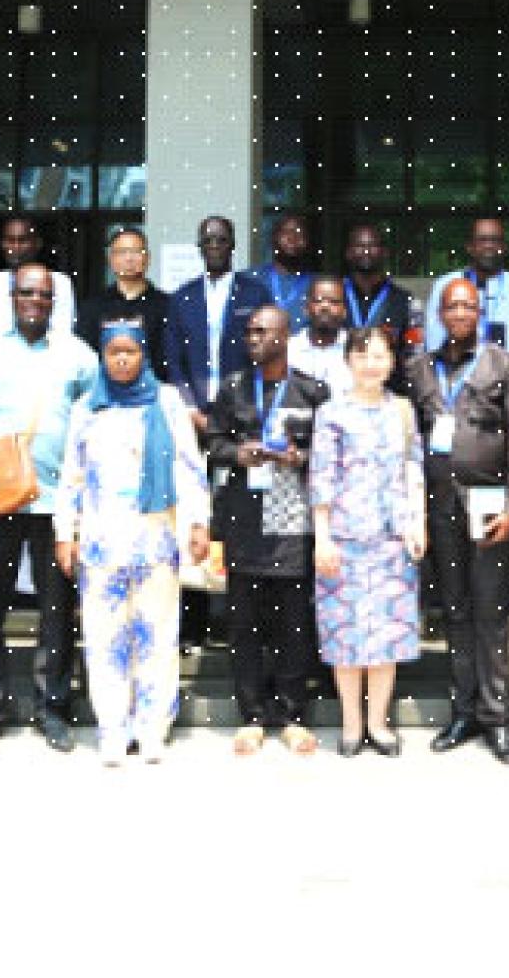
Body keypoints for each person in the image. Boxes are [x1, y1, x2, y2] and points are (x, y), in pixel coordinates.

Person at [0, 263, 97, 755]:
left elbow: (97, 421)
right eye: (26, 292)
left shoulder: (77, 355)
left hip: (57, 503)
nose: (35, 299)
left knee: (57, 609)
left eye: (44, 294)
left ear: (55, 301)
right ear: (12, 296)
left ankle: (52, 705)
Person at [54, 324, 210, 765]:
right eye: (113, 353)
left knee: (157, 635)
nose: (122, 360)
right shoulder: (88, 407)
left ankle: (152, 728)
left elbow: (189, 465)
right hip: (102, 542)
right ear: (102, 357)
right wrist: (65, 532)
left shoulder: (167, 402)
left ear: (143, 355)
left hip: (156, 540)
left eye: (130, 352)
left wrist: (198, 523)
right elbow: (72, 475)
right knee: (105, 637)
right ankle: (112, 729)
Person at [407, 278, 509, 763]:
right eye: (452, 305)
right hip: (439, 504)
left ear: (480, 313)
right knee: (455, 610)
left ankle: (496, 716)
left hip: (488, 505)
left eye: (468, 306)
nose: (460, 313)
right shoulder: (420, 367)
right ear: (441, 312)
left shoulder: (504, 366)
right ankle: (463, 711)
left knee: (490, 612)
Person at [207, 306, 328, 755]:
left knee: (294, 624)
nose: (253, 338)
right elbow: (214, 443)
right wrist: (238, 453)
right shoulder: (233, 387)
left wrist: (301, 458)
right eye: (249, 331)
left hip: (293, 518)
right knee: (245, 625)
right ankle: (252, 715)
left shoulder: (312, 391)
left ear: (285, 336)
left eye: (262, 331)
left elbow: (330, 449)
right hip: (245, 516)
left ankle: (293, 715)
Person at [308, 327, 427, 756]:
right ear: (349, 361)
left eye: (380, 355)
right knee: (346, 635)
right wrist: (323, 538)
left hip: (392, 538)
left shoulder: (404, 411)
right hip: (344, 537)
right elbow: (321, 478)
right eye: (363, 355)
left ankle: (379, 723)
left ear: (391, 362)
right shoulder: (331, 413)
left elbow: (414, 470)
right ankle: (351, 725)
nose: (372, 363)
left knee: (386, 636)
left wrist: (418, 523)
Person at [165, 215, 271, 430]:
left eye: (221, 240)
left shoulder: (256, 292)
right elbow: (173, 360)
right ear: (199, 247)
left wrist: (253, 405)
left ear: (232, 245)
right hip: (194, 413)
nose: (214, 246)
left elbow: (268, 352)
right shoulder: (181, 298)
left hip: (245, 409)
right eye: (208, 240)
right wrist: (189, 408)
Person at [423, 217, 509, 389]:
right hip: (461, 389)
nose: (489, 246)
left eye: (495, 240)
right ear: (469, 247)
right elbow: (434, 344)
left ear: (504, 247)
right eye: (482, 240)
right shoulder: (446, 285)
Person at [0, 215, 75, 349]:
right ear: (3, 244)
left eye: (22, 241)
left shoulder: (59, 282)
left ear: (37, 243)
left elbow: (62, 332)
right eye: (10, 241)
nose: (15, 247)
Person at [76, 226, 170, 381]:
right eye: (121, 252)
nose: (129, 258)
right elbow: (84, 358)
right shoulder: (92, 308)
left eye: (135, 252)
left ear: (148, 258)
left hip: (154, 395)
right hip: (104, 396)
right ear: (111, 260)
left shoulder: (167, 306)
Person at [341, 221, 419, 355]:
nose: (366, 251)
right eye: (359, 246)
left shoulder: (407, 301)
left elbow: (415, 350)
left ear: (385, 253)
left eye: (373, 246)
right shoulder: (334, 297)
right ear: (348, 253)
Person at [239, 212, 316, 333]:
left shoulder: (317, 284)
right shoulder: (249, 278)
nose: (293, 238)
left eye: (300, 234)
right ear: (273, 238)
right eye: (286, 232)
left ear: (308, 242)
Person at [287, 275, 351, 393]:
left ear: (345, 311)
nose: (325, 307)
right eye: (318, 301)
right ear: (305, 309)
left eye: (334, 302)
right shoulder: (288, 349)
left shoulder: (356, 349)